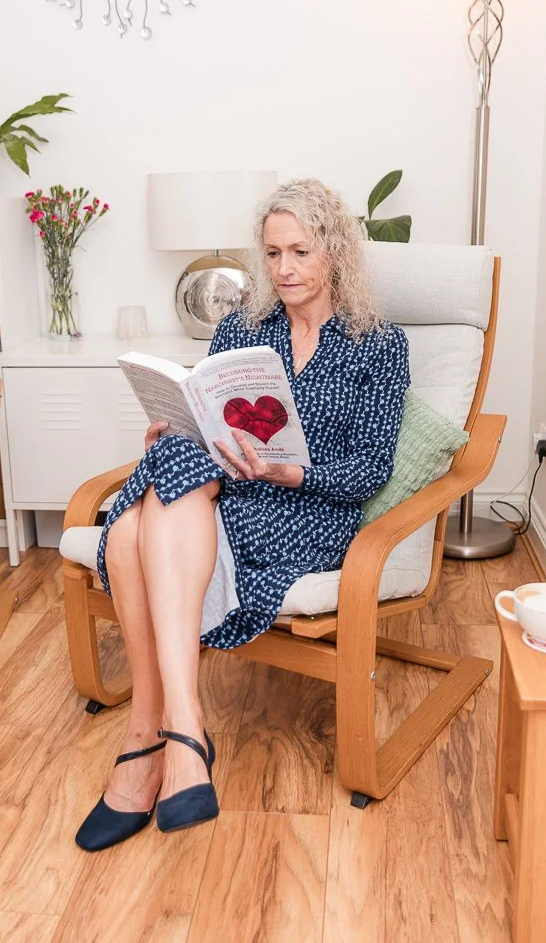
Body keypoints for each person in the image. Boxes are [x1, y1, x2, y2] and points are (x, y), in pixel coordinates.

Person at [75, 177, 410, 851]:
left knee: (132, 529)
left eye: (299, 252)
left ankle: (150, 738)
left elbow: (371, 468)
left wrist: (294, 470)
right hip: (226, 493)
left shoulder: (379, 343)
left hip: (307, 508)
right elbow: (213, 417)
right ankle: (182, 731)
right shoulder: (240, 327)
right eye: (272, 254)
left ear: (335, 252)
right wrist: (175, 427)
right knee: (169, 464)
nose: (283, 270)